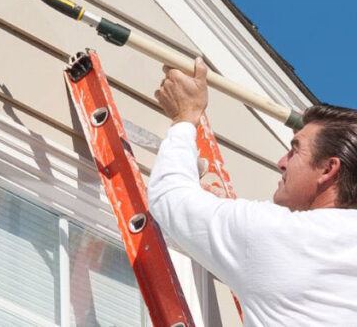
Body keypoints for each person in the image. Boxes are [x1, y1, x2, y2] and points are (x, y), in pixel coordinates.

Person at [148, 58, 357, 326]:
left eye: (295, 150)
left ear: (328, 169)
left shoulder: (281, 234)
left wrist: (184, 117)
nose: (281, 162)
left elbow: (170, 197)